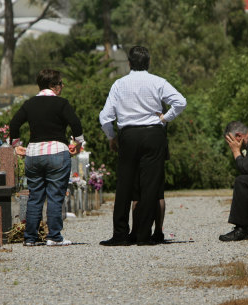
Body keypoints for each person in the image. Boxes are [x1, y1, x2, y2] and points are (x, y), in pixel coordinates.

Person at [99, 46, 186, 246]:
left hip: (128, 134)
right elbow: (180, 101)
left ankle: (120, 234)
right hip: (153, 133)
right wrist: (165, 118)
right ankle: (144, 235)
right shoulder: (158, 81)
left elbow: (105, 117)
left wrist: (112, 136)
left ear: (129, 63)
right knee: (150, 185)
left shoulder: (119, 84)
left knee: (124, 185)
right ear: (148, 63)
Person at [9, 69, 84, 246]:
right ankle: (54, 236)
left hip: (34, 154)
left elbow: (14, 123)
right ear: (53, 86)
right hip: (57, 151)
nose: (62, 86)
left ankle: (30, 238)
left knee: (35, 196)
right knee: (55, 196)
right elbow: (75, 124)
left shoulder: (29, 104)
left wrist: (16, 144)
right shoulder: (61, 103)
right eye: (60, 83)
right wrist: (78, 143)